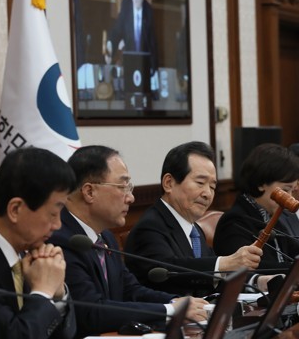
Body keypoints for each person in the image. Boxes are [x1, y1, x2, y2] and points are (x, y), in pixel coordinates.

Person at [48, 145, 207, 338]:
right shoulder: (61, 239)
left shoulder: (105, 236)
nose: (131, 198)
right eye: (123, 187)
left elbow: (130, 289)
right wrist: (169, 310)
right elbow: (90, 311)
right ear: (89, 192)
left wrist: (177, 302)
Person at [125, 141, 264, 297]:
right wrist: (225, 263)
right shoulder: (150, 227)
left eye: (212, 186)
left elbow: (212, 275)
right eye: (200, 183)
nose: (207, 194)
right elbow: (169, 271)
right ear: (169, 183)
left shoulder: (195, 230)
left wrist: (259, 281)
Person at [0, 147, 76, 339]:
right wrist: (42, 292)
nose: (58, 225)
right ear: (15, 209)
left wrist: (57, 295)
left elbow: (68, 333)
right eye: (53, 214)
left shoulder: (29, 251)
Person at [213, 143, 299, 276]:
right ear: (261, 184)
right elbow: (250, 268)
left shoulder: (271, 217)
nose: (290, 198)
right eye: (286, 190)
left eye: (293, 191)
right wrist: (297, 268)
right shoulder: (234, 221)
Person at [106, 0, 159, 90]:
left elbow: (152, 43)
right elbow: (117, 30)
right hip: (128, 61)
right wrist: (110, 46)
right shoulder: (126, 4)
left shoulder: (149, 11)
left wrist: (154, 70)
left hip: (144, 64)